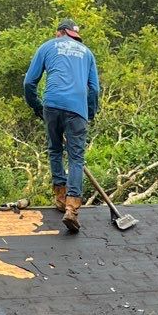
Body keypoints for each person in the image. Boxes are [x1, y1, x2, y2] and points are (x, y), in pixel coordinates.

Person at [22, 18, 100, 233]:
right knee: (76, 157)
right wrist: (89, 113)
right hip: (77, 108)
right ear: (72, 34)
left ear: (59, 33)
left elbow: (29, 82)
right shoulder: (87, 52)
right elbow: (93, 89)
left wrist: (37, 107)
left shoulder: (47, 46)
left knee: (55, 149)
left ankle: (59, 196)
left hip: (53, 104)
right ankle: (71, 208)